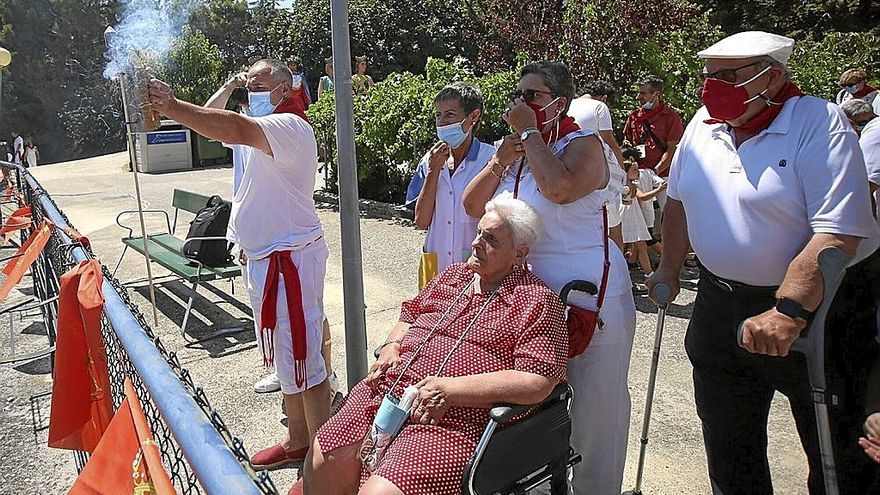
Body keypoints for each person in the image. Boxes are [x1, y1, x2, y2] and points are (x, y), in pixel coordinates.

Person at [646, 31, 880, 494]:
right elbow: (678, 203)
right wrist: (668, 269)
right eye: (709, 76)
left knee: (837, 453)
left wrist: (789, 309)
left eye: (727, 76)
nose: (712, 86)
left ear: (771, 77)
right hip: (721, 304)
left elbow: (838, 232)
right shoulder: (703, 124)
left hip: (818, 309)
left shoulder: (817, 121)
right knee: (729, 446)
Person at [303, 196, 568, 495]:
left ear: (520, 252)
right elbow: (410, 314)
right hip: (390, 395)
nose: (477, 242)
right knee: (322, 461)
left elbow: (538, 380)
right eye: (479, 232)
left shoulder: (535, 300)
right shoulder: (454, 275)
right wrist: (391, 346)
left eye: (491, 239)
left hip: (456, 418)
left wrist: (450, 390)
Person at [147, 60, 332, 485]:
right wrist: (223, 89)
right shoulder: (258, 126)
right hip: (265, 258)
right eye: (247, 83)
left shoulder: (290, 126)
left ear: (285, 89)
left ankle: (324, 467)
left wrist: (172, 105)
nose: (251, 90)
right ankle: (299, 440)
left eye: (259, 83)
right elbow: (217, 124)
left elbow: (228, 126)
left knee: (307, 360)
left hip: (290, 260)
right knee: (287, 359)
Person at [463, 61, 634, 494]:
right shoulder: (520, 152)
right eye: (518, 95)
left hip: (590, 294)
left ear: (561, 102)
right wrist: (500, 161)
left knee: (596, 410)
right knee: (535, 408)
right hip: (530, 304)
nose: (522, 104)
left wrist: (530, 136)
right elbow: (472, 205)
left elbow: (560, 188)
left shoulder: (586, 145)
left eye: (533, 96)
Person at [405, 82, 496, 288]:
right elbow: (421, 221)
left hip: (474, 265)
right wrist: (434, 170)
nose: (442, 122)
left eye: (450, 115)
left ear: (473, 116)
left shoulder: (490, 160)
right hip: (435, 267)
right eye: (438, 115)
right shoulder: (430, 160)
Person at [568, 80, 626, 251]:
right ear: (605, 97)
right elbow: (610, 142)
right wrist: (624, 175)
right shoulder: (599, 106)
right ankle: (617, 268)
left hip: (571, 171)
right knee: (613, 228)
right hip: (599, 174)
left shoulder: (568, 104)